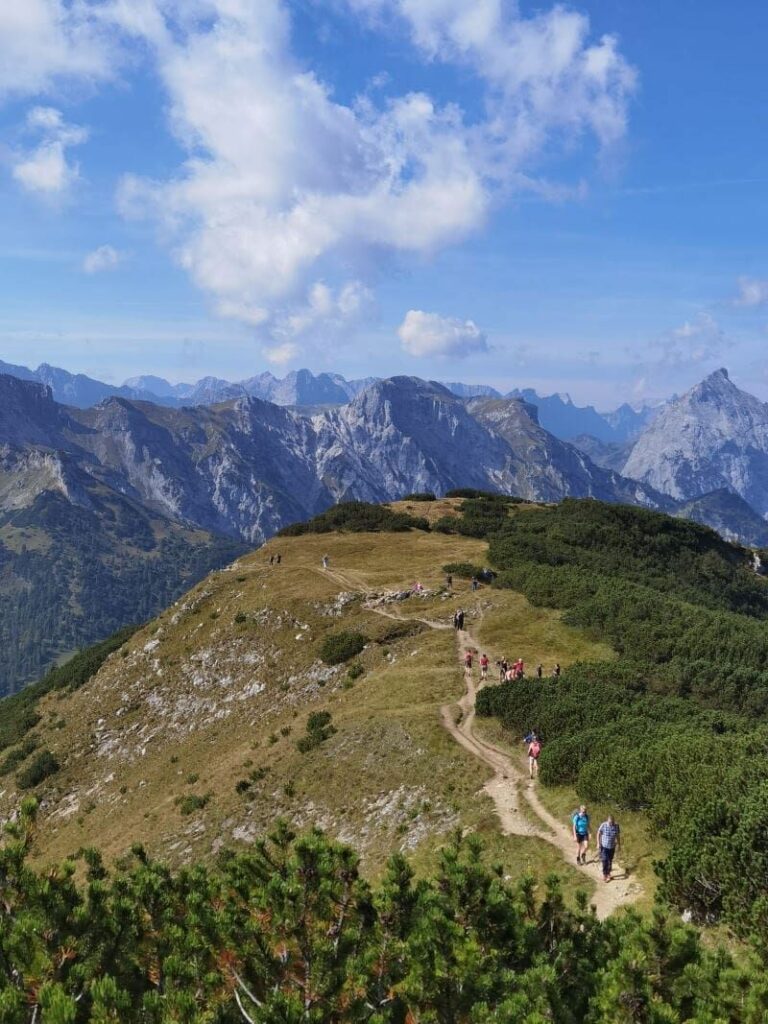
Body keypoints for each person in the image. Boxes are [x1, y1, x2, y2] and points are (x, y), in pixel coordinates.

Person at [597, 815, 621, 881]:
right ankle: (605, 874)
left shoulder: (616, 826)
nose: (611, 824)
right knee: (604, 860)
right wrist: (598, 843)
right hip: (604, 846)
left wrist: (619, 845)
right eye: (610, 822)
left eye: (612, 822)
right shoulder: (603, 825)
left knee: (610, 860)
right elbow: (598, 833)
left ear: (613, 821)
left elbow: (617, 836)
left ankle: (608, 873)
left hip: (612, 846)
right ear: (608, 820)